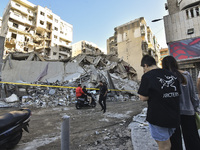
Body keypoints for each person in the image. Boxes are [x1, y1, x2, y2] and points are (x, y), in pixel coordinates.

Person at [138, 55, 181, 150]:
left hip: (159, 117)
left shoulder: (147, 76)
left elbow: (143, 97)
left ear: (145, 65)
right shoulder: (171, 74)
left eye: (143, 68)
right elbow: (177, 93)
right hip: (174, 116)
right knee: (168, 142)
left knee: (164, 146)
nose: (144, 70)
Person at [162, 55, 200, 150]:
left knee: (175, 141)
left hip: (173, 114)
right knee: (192, 139)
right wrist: (196, 108)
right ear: (176, 63)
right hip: (188, 111)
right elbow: (193, 95)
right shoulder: (186, 75)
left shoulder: (165, 79)